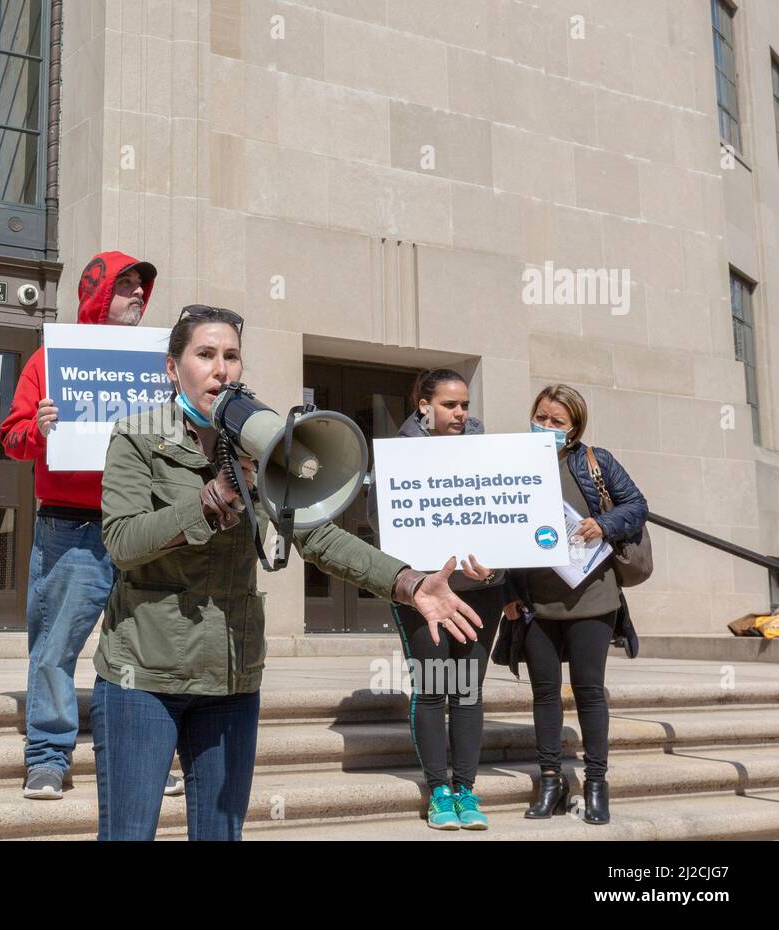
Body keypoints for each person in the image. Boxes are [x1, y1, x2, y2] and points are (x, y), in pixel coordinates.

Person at [93, 305, 484, 840]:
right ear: (172, 368)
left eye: (231, 356)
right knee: (129, 833)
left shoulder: (258, 441)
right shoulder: (137, 437)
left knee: (219, 833)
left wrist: (409, 582)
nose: (221, 369)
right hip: (144, 674)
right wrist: (213, 500)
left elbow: (320, 536)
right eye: (205, 355)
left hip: (231, 676)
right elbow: (122, 541)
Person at [0, 251, 184, 799]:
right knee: (55, 648)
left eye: (139, 288)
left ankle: (147, 754)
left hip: (143, 527)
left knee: (146, 651)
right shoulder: (47, 361)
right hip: (71, 529)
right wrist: (38, 427)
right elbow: (10, 440)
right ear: (98, 294)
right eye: (124, 285)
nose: (135, 295)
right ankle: (48, 757)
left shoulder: (159, 364)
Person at [365, 368, 506, 829]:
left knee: (467, 690)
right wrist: (413, 576)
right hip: (423, 593)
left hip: (480, 589)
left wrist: (498, 566)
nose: (461, 413)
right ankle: (438, 791)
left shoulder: (488, 452)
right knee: (432, 689)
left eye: (464, 404)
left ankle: (466, 789)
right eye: (450, 404)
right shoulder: (397, 454)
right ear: (424, 405)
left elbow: (508, 517)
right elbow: (378, 521)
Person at [502, 383, 647, 826]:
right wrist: (508, 592)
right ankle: (551, 779)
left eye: (556, 421)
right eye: (541, 416)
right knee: (544, 693)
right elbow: (500, 528)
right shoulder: (512, 463)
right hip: (536, 603)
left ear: (574, 427)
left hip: (592, 597)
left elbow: (637, 506)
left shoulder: (595, 461)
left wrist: (603, 524)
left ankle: (596, 783)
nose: (545, 426)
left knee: (588, 692)